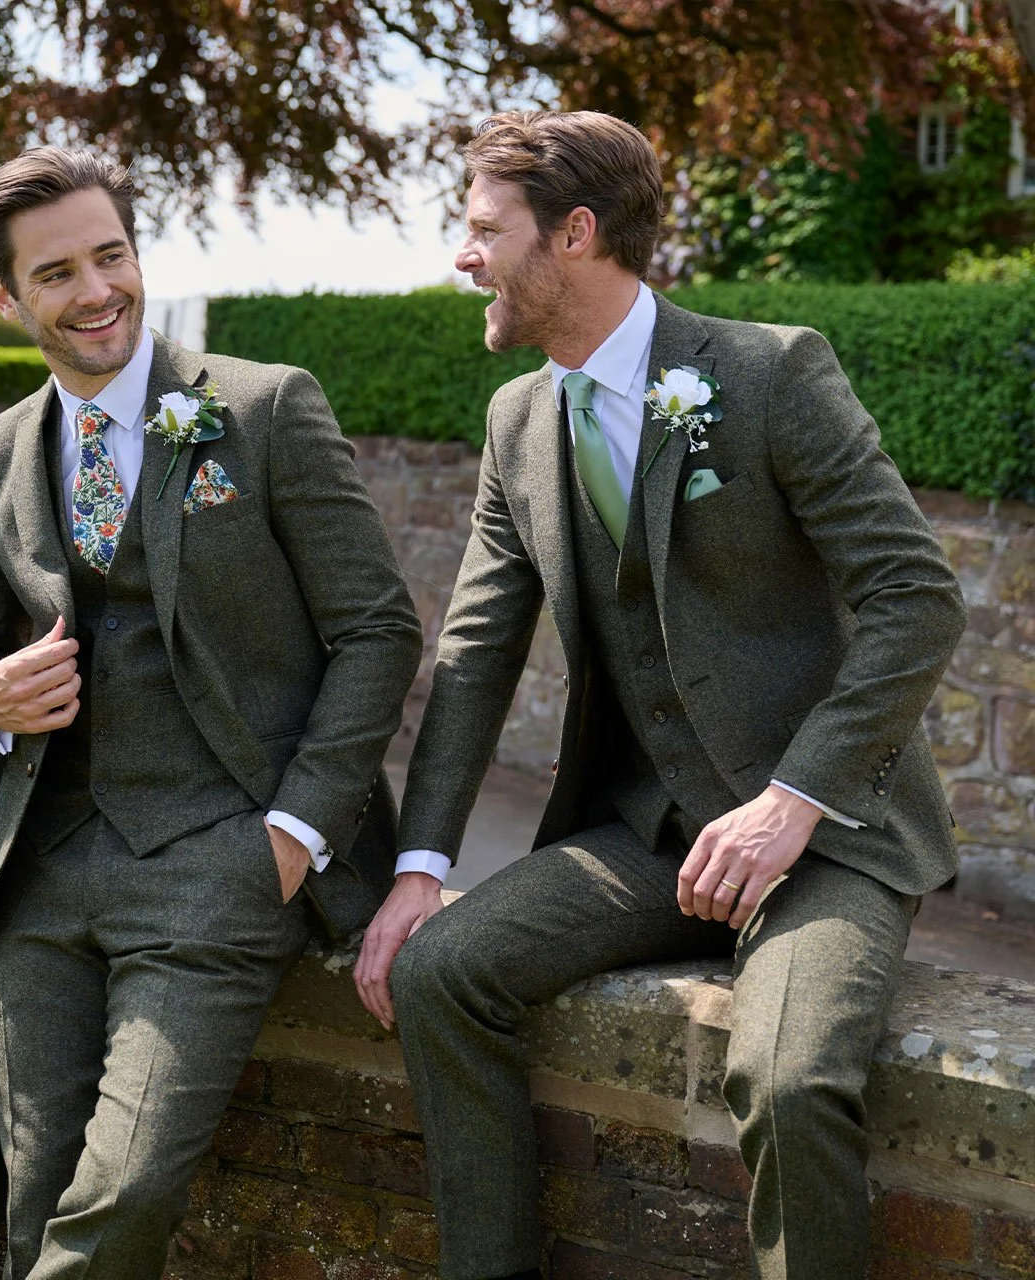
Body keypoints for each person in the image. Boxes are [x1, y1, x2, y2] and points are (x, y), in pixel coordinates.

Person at [353, 110, 967, 1280]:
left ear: (574, 234)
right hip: (648, 835)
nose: (462, 254)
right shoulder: (516, 420)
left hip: (826, 834)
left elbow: (915, 595)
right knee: (439, 971)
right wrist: (420, 866)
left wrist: (795, 798)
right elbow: (477, 653)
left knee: (784, 1075)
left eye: (485, 229)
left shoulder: (768, 371)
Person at [0, 146, 421, 1279]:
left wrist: (294, 835)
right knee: (35, 1179)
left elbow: (377, 629)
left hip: (224, 854)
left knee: (124, 1183)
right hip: (45, 864)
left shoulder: (260, 408)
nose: (98, 289)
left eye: (112, 255)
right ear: (6, 297)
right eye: (56, 273)